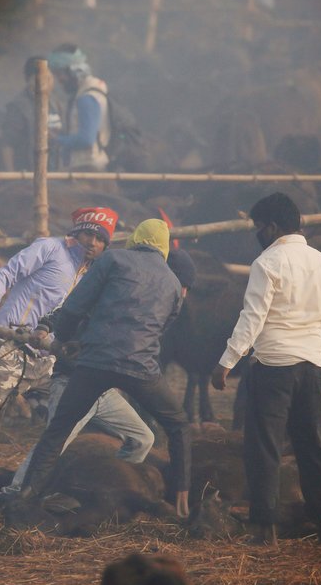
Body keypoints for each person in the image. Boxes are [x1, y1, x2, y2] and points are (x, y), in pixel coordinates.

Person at [0, 207, 153, 496]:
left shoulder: (96, 274)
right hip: (11, 340)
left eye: (100, 239)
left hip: (48, 358)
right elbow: (9, 272)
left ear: (106, 244)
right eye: (88, 234)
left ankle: (39, 484)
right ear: (76, 232)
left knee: (64, 417)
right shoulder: (50, 248)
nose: (92, 242)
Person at [11, 219, 192, 517]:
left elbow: (73, 308)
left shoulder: (113, 259)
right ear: (163, 247)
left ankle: (26, 497)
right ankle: (181, 496)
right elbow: (162, 327)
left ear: (135, 238)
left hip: (95, 363)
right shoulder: (174, 283)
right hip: (142, 368)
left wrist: (64, 341)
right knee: (179, 425)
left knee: (57, 431)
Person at [211, 193, 321, 546]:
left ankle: (265, 531)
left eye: (258, 227)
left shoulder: (267, 262)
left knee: (265, 448)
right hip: (313, 367)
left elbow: (252, 317)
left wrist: (227, 360)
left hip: (273, 366)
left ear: (271, 226)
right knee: (315, 447)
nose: (258, 233)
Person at [48, 43, 110, 173]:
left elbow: (86, 139)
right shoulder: (90, 92)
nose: (59, 80)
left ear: (74, 71)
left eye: (60, 74)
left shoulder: (87, 98)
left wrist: (56, 139)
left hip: (86, 167)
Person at [0, 56, 62, 172]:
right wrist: (11, 175)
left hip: (54, 172)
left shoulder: (55, 103)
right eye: (46, 78)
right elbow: (8, 143)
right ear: (32, 80)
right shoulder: (19, 106)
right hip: (28, 173)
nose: (50, 81)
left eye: (50, 77)